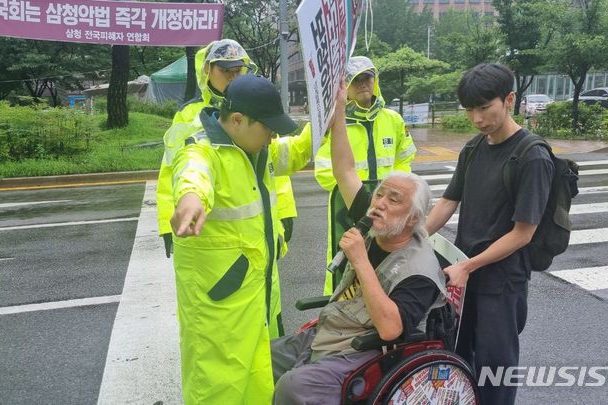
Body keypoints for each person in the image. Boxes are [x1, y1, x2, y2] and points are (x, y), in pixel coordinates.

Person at [270, 84, 446, 404]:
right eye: (380, 193)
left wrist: (361, 261)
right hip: (333, 331)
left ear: (412, 219)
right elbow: (345, 170)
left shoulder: (419, 269)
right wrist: (338, 111)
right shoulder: (378, 223)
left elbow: (391, 329)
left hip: (366, 353)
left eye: (394, 199)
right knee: (258, 360)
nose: (378, 203)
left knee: (292, 388)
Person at [170, 74, 312, 404]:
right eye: (268, 127)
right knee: (219, 387)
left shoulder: (256, 149)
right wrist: (191, 198)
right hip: (219, 308)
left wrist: (325, 120)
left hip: (254, 297)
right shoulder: (203, 152)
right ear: (237, 120)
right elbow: (193, 175)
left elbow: (295, 153)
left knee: (257, 380)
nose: (274, 135)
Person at [425, 63, 554, 405]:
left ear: (509, 99)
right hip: (465, 273)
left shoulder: (532, 156)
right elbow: (447, 202)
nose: (477, 118)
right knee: (460, 357)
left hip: (502, 279)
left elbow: (523, 233)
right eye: (470, 110)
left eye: (485, 108)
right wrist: (412, 237)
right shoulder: (473, 148)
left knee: (495, 368)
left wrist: (469, 267)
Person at [156, 38, 301, 338]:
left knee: (266, 322)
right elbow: (186, 166)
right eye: (226, 70)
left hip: (259, 242)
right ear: (208, 71)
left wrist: (284, 215)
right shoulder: (191, 117)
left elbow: (275, 166)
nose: (234, 77)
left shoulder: (255, 105)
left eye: (239, 70)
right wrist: (171, 217)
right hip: (216, 248)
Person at [310, 56, 417, 295]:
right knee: (347, 265)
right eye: (355, 79)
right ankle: (339, 312)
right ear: (345, 87)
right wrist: (360, 200)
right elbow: (326, 172)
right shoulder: (337, 124)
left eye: (367, 77)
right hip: (348, 209)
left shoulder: (393, 120)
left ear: (375, 80)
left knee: (391, 263)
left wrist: (396, 196)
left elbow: (405, 160)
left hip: (391, 209)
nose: (362, 84)